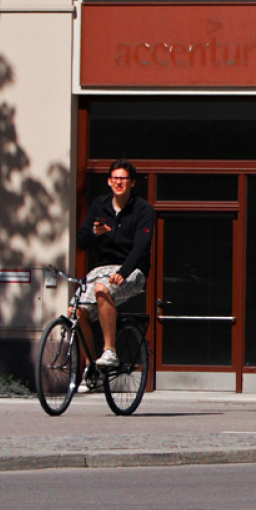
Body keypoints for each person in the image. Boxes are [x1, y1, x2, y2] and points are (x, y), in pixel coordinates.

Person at [76, 159, 155, 383]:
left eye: (123, 179)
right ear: (109, 181)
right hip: (102, 268)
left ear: (132, 183)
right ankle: (93, 369)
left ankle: (109, 350)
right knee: (75, 310)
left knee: (102, 289)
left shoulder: (143, 209)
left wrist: (125, 270)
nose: (118, 182)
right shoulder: (99, 206)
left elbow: (141, 246)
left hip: (133, 268)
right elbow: (81, 241)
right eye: (115, 178)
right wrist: (94, 232)